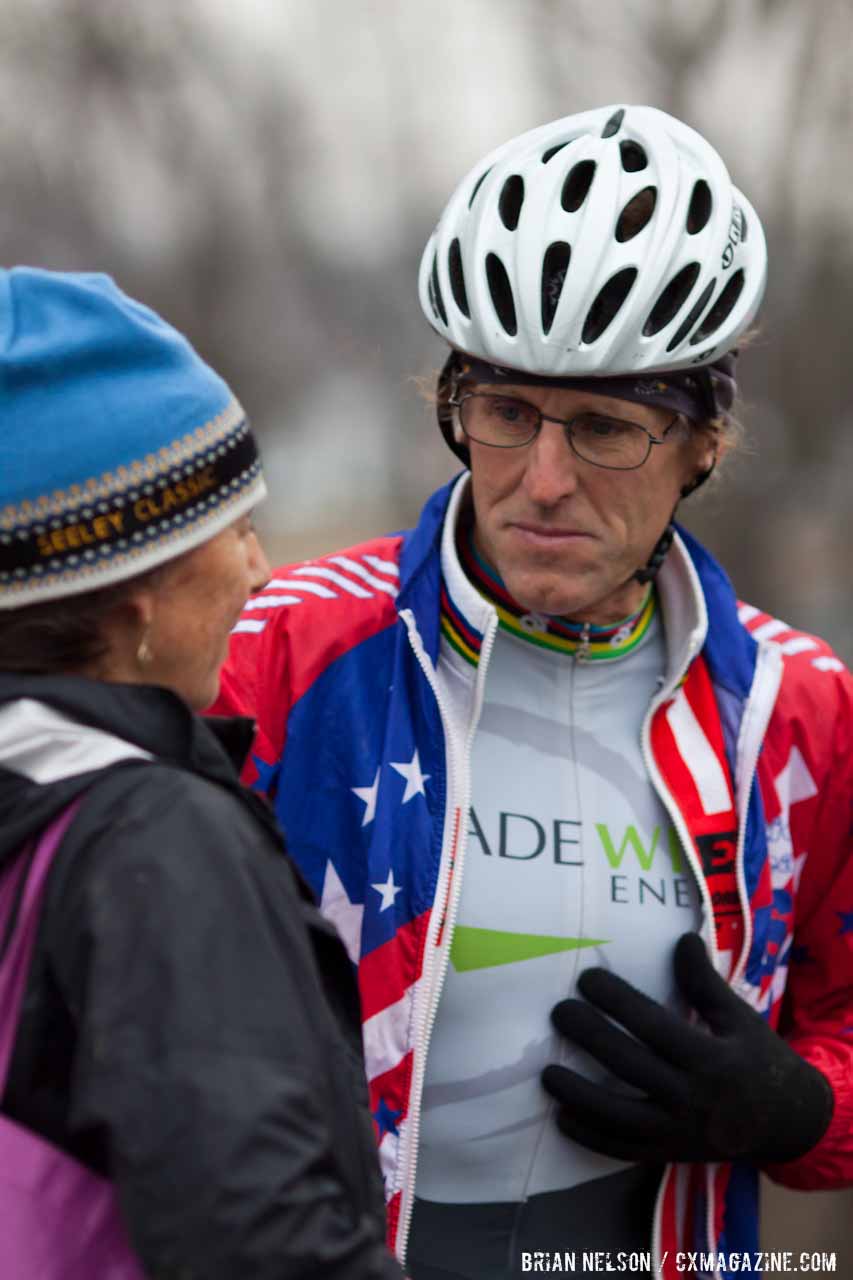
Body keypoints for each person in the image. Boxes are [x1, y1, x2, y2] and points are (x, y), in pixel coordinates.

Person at [212, 106, 853, 1279]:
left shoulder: (797, 711)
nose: (543, 481)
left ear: (704, 442)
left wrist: (804, 1109)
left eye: (607, 427)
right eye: (507, 414)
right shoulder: (287, 650)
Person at [0, 268, 404, 1279]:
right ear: (133, 590)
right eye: (235, 527)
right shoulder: (155, 835)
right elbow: (258, 1237)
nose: (262, 568)